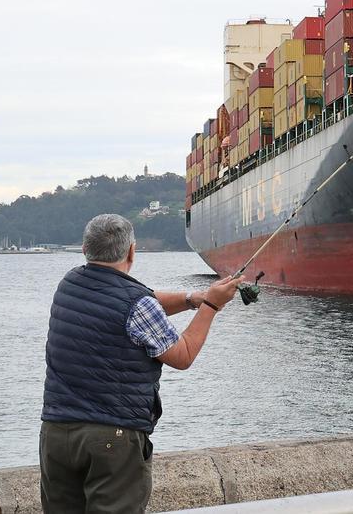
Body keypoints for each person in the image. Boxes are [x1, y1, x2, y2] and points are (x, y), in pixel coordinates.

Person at [40, 214, 245, 512]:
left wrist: (193, 298)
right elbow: (183, 355)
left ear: (85, 249)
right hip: (113, 436)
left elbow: (140, 302)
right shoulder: (137, 304)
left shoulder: (69, 284)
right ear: (132, 252)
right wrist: (211, 305)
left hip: (57, 433)